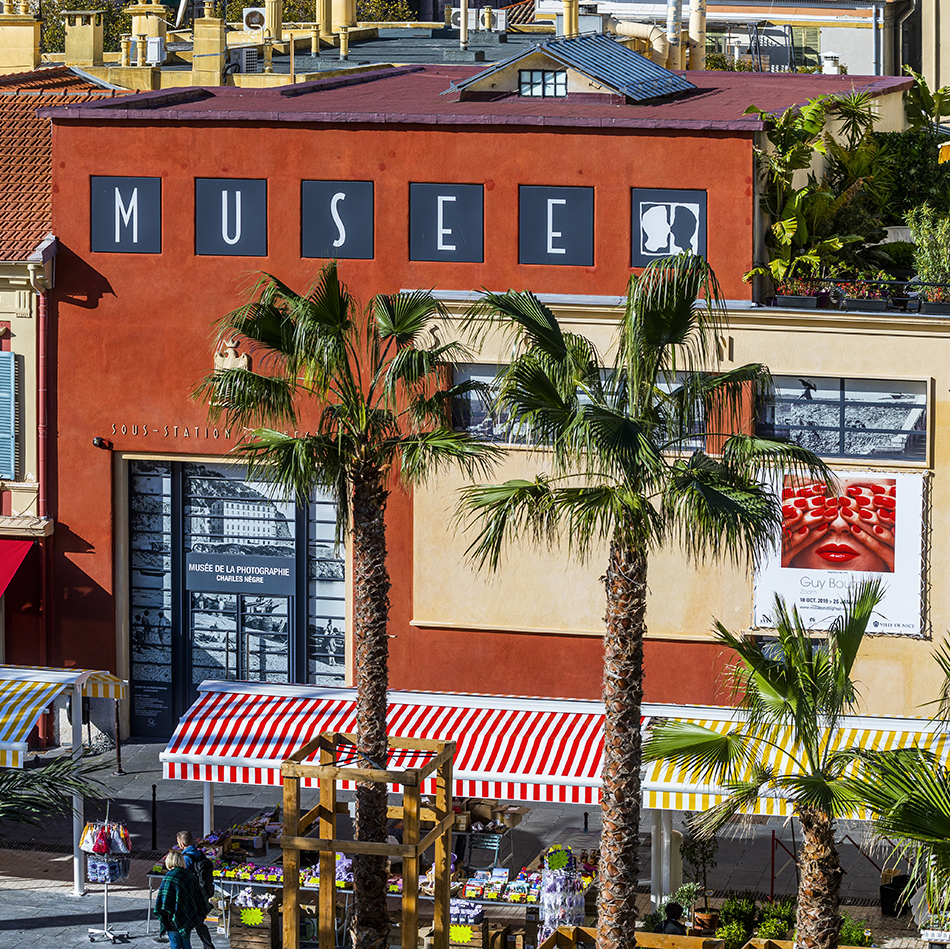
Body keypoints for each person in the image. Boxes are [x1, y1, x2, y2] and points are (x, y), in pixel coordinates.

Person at [155, 850, 209, 949]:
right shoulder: (189, 875)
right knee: (186, 943)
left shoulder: (168, 877)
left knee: (175, 944)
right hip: (187, 916)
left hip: (172, 918)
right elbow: (197, 895)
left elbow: (164, 900)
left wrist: (164, 914)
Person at [177, 831, 215, 949]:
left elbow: (185, 878)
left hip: (193, 895)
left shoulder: (186, 858)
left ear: (182, 844)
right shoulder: (199, 853)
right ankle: (208, 947)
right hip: (204, 891)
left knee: (187, 922)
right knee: (199, 922)